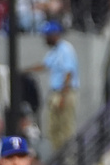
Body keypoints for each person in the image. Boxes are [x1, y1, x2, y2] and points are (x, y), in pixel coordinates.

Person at [27, 21, 78, 153]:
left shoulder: (66, 49)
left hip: (65, 92)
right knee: (53, 128)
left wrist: (63, 95)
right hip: (55, 93)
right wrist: (25, 70)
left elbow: (69, 73)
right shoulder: (54, 51)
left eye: (47, 35)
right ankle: (58, 158)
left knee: (65, 127)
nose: (45, 38)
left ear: (55, 35)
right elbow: (44, 65)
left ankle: (69, 160)